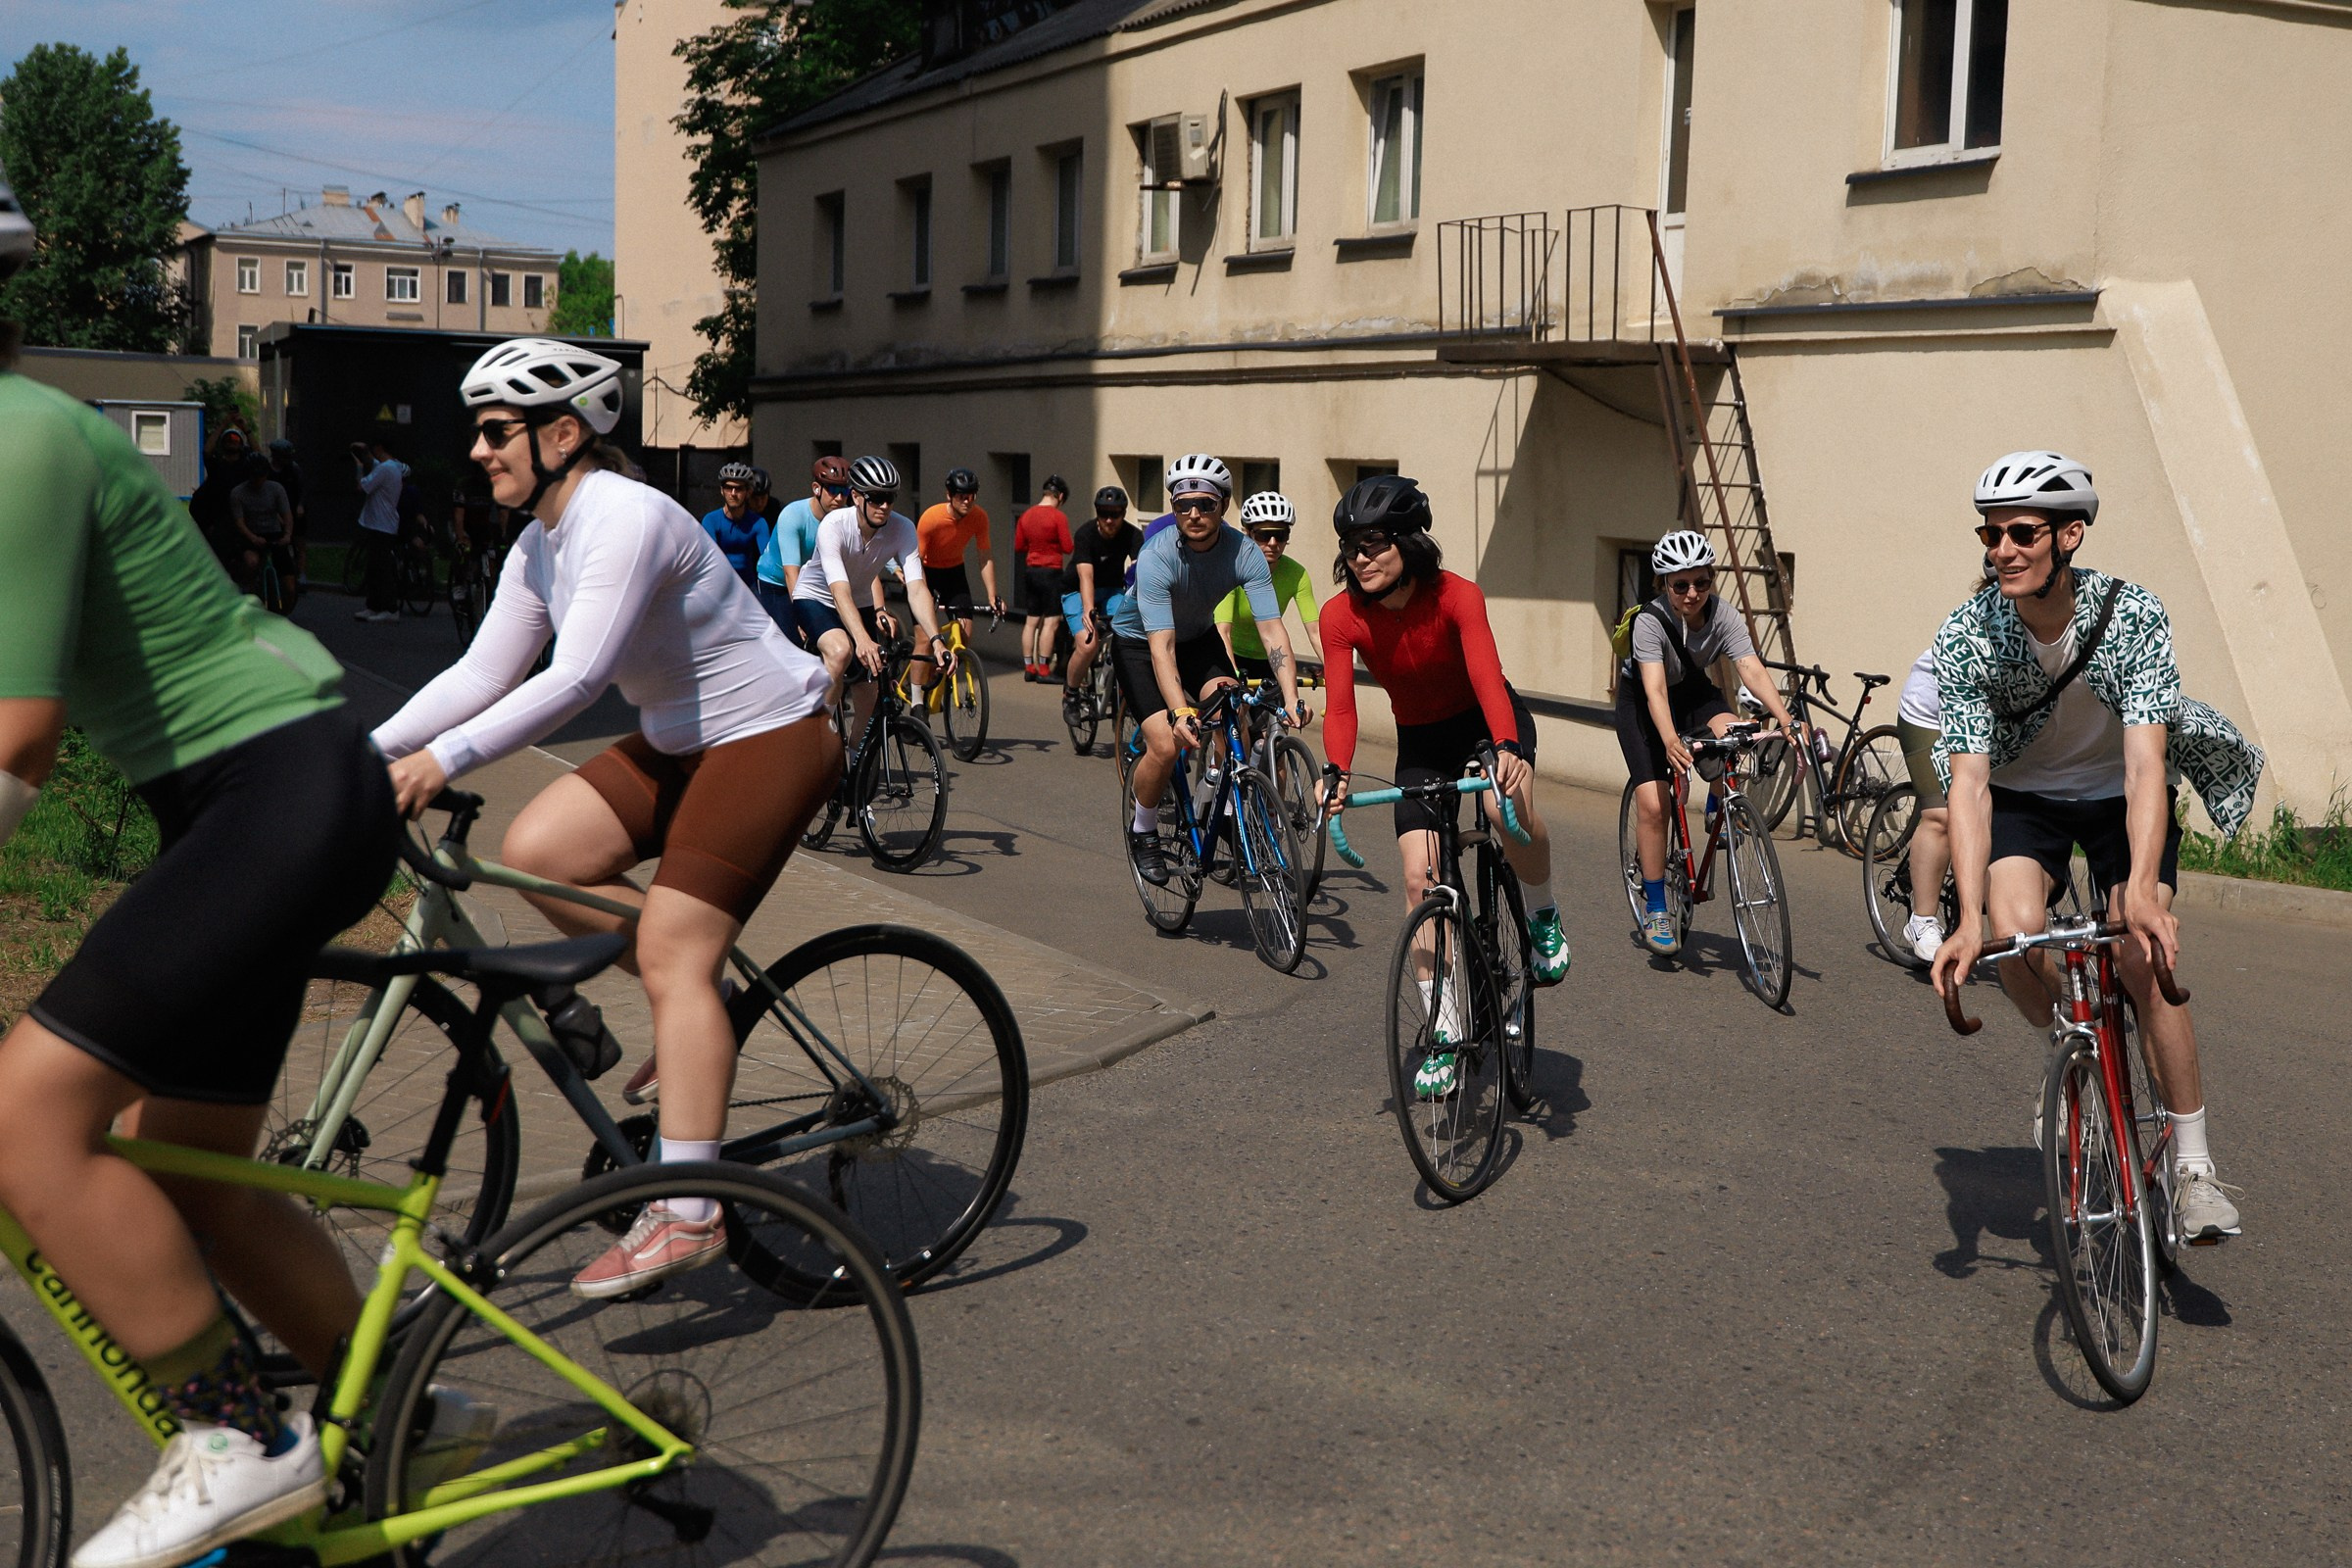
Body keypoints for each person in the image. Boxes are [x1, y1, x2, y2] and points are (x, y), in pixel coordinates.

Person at [0, 158, 402, 1567]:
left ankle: (236, 1437)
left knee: (28, 1121)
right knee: (186, 1165)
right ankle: (410, 1408)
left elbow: (18, 744)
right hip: (254, 796)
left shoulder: (17, 438)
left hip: (279, 786)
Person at [370, 336, 844, 1296]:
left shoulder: (623, 515)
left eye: (494, 431)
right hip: (683, 741)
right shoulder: (542, 540)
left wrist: (441, 762)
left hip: (771, 733)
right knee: (538, 847)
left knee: (674, 951)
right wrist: (363, 754)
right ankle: (689, 1008)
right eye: (478, 432)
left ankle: (688, 1211)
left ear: (563, 432)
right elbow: (480, 672)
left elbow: (578, 676)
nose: (477, 450)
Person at [1929, 451, 2263, 1244]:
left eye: (2020, 532)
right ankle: (2071, 1040)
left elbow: (2148, 760)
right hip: (2024, 795)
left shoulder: (2132, 614)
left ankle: (2193, 1169)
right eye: (1990, 532)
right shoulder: (1967, 635)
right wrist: (1969, 915)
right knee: (2013, 940)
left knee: (2142, 958)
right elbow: (1969, 783)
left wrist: (2143, 887)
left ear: (2069, 535)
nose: (2001, 548)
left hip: (2119, 794)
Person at [1316, 476, 1569, 1091]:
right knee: (1416, 880)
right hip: (1422, 742)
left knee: (1501, 802)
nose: (1361, 557)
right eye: (1351, 545)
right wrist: (1336, 772)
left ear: (1407, 541)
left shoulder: (1457, 595)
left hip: (1486, 722)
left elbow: (1488, 675)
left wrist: (1506, 748)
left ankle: (1542, 913)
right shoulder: (1340, 616)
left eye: (1374, 542)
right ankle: (1448, 1029)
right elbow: (1343, 709)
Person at [1112, 453, 1306, 887]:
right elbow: (1161, 648)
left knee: (1232, 705)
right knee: (1164, 744)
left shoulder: (1244, 553)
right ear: (1174, 509)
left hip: (1197, 637)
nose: (1194, 514)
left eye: (1206, 504)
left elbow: (1273, 631)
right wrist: (1181, 712)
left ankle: (1227, 801)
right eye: (1183, 505)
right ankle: (1143, 828)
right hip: (1141, 644)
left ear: (1224, 505)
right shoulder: (1156, 556)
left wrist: (1292, 697)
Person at [1615, 529, 1802, 956]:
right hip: (1644, 701)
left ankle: (1721, 802)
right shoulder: (1650, 621)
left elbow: (1750, 668)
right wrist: (1669, 740)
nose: (1692, 593)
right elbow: (1656, 691)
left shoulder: (1724, 615)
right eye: (1681, 584)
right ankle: (1657, 907)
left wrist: (1787, 718)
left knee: (1734, 735)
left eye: (1702, 582)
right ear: (1665, 584)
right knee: (1654, 803)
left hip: (1693, 691)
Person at [789, 454, 957, 732]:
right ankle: (819, 730)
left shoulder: (902, 528)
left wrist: (937, 640)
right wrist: (862, 640)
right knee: (842, 651)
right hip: (817, 597)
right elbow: (838, 590)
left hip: (859, 601)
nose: (884, 506)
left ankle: (856, 760)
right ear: (855, 496)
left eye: (890, 498)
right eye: (876, 498)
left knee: (871, 683)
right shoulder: (834, 525)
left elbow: (916, 588)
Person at [1214, 490, 1323, 684]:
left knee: (1286, 712)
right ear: (1248, 533)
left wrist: (1335, 669)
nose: (1273, 543)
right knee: (1234, 711)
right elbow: (1223, 630)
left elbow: (1315, 631)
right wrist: (1234, 674)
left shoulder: (1296, 573)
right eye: (1264, 535)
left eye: (1280, 535)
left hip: (1270, 657)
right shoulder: (1233, 568)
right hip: (1228, 656)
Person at [1060, 485, 1140, 721]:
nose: (1109, 519)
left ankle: (1122, 683)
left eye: (1115, 514)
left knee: (1132, 633)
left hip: (1113, 590)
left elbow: (1141, 571)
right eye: (1104, 513)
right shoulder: (1086, 534)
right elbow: (1086, 577)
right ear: (1097, 513)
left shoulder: (1133, 535)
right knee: (1087, 644)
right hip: (1077, 591)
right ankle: (1071, 694)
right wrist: (1088, 611)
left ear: (1123, 514)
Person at [757, 455, 851, 640]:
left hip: (813, 584)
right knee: (792, 641)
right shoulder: (793, 515)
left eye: (844, 491)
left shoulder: (845, 517)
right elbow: (791, 573)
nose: (840, 498)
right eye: (832, 490)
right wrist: (802, 617)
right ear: (816, 488)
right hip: (778, 583)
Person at [915, 466, 1001, 663]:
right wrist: (924, 592)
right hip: (927, 571)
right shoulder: (931, 518)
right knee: (925, 639)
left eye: (970, 497)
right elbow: (917, 560)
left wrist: (992, 595)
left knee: (964, 636)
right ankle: (919, 692)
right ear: (949, 495)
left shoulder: (979, 517)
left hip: (954, 572)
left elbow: (985, 556)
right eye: (961, 496)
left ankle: (946, 674)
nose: (966, 501)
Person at [1014, 475, 1073, 681]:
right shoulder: (1058, 517)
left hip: (1031, 571)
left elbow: (1019, 546)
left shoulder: (1026, 515)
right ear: (1061, 496)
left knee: (1031, 621)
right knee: (1051, 621)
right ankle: (1044, 668)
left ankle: (1029, 667)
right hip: (1051, 572)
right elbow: (1068, 547)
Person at [225, 451, 295, 603]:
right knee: (252, 562)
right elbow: (239, 521)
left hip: (274, 532)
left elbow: (287, 514)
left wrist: (287, 534)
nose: (257, 480)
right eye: (254, 476)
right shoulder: (238, 493)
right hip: (251, 534)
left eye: (261, 476)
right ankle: (249, 590)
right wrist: (252, 537)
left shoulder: (276, 489)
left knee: (290, 585)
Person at [700, 461, 772, 593]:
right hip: (718, 585)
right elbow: (709, 557)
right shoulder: (711, 520)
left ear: (748, 492)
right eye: (728, 487)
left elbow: (767, 558)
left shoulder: (758, 523)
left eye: (739, 488)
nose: (733, 493)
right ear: (722, 490)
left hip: (748, 587)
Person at [351, 439, 403, 622]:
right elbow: (373, 464)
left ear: (380, 447)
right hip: (381, 523)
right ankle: (374, 605)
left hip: (381, 524)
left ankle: (388, 607)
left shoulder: (385, 469)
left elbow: (362, 486)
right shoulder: (393, 467)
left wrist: (358, 467)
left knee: (381, 568)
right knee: (374, 567)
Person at [266, 436, 307, 583]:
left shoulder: (294, 469)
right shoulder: (269, 472)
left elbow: (302, 488)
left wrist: (300, 505)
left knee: (299, 542)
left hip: (294, 510)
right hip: (276, 512)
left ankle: (302, 574)